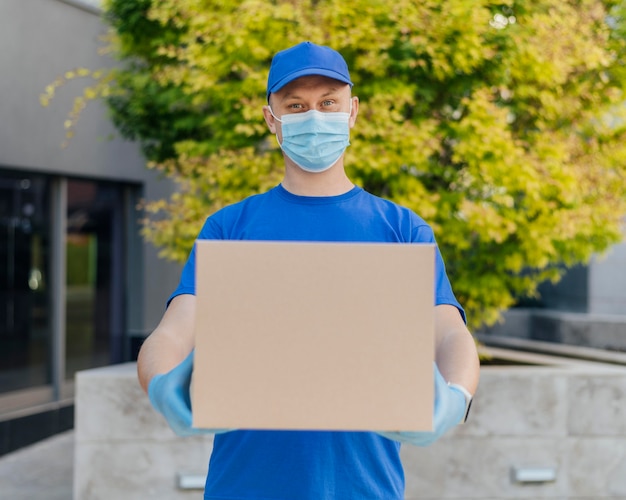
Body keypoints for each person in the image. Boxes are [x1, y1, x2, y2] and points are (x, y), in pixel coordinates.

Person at [137, 41, 480, 500]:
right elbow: (173, 333)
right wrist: (162, 385)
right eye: (296, 106)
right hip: (245, 489)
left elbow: (450, 334)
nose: (314, 117)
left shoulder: (401, 229)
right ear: (270, 119)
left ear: (352, 111)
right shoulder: (229, 227)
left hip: (366, 490)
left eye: (328, 103)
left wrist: (455, 397)